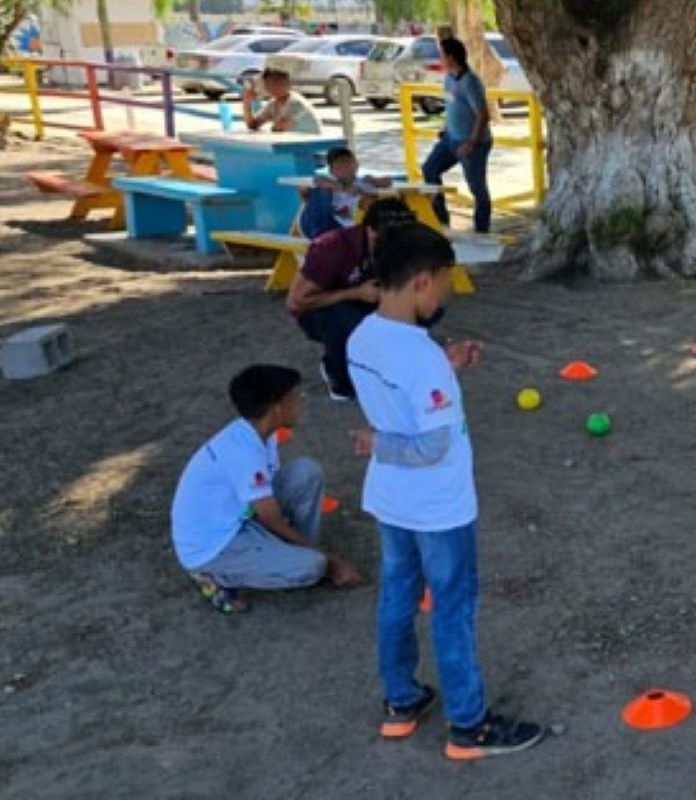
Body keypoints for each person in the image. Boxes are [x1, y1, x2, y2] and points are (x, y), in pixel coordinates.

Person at [346, 222, 543, 758]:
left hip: (390, 501)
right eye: (446, 285)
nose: (448, 295)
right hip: (437, 506)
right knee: (452, 609)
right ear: (423, 282)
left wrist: (445, 368)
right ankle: (469, 725)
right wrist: (381, 442)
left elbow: (402, 393)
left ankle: (402, 702)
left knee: (396, 599)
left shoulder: (363, 336)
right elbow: (430, 445)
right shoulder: (420, 356)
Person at [170, 365, 362, 614]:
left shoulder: (259, 433)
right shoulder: (244, 452)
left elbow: (266, 499)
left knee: (305, 472)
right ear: (277, 407)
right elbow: (269, 517)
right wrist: (331, 563)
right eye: (295, 397)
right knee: (312, 567)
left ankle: (295, 552)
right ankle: (216, 576)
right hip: (216, 545)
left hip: (239, 517)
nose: (301, 403)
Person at [288, 200, 419, 402]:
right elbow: (296, 302)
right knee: (345, 317)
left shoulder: (403, 244)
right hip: (321, 310)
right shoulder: (332, 247)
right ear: (370, 231)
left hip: (368, 301)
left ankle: (382, 364)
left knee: (425, 307)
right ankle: (337, 375)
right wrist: (355, 293)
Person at [420, 37, 494, 233]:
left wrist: (472, 142)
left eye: (441, 55)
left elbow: (483, 114)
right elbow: (451, 105)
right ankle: (440, 217)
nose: (439, 59)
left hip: (471, 142)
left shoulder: (470, 81)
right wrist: (446, 127)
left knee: (476, 186)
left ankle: (481, 227)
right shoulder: (448, 78)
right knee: (430, 169)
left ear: (451, 57)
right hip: (451, 138)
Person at [299, 147, 394, 239]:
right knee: (321, 190)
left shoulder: (364, 182)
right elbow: (315, 182)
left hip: (350, 229)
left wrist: (374, 180)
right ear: (332, 170)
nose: (345, 168)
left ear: (356, 165)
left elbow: (388, 182)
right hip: (324, 225)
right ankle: (320, 236)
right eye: (339, 165)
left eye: (347, 163)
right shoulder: (329, 183)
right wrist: (344, 188)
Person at [242, 67, 322, 134]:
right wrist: (247, 103)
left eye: (280, 82)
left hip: (310, 148)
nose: (276, 86)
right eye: (271, 83)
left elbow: (278, 129)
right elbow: (252, 125)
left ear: (288, 84)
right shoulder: (273, 103)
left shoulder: (296, 103)